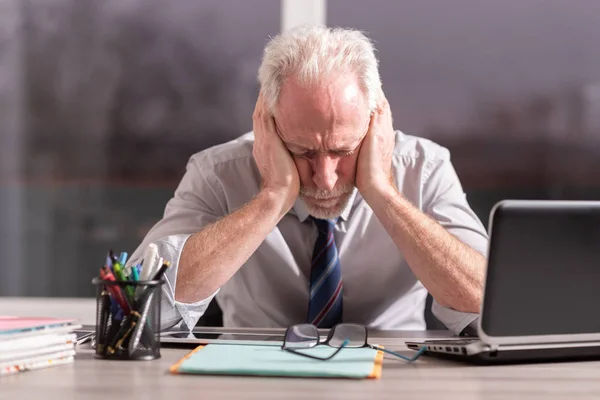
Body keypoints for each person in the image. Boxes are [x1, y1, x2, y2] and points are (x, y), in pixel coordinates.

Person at [128, 25, 488, 335]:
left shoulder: (424, 168)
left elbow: (491, 304)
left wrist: (383, 192)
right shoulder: (217, 173)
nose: (326, 179)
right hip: (250, 376)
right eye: (303, 153)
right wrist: (272, 197)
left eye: (344, 151)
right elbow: (134, 311)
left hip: (397, 375)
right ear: (266, 125)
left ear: (376, 121)